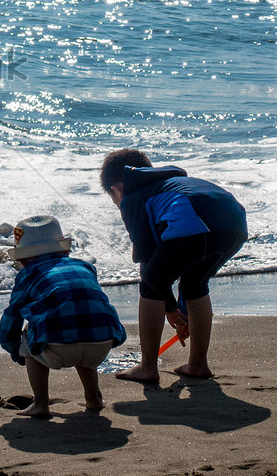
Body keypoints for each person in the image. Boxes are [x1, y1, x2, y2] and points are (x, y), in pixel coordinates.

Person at [99, 149, 247, 385]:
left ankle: (147, 367)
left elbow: (149, 265)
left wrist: (169, 309)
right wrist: (179, 310)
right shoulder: (170, 183)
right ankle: (198, 364)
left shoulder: (134, 197)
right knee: (194, 283)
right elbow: (170, 263)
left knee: (149, 285)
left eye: (114, 199)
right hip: (234, 224)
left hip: (195, 223)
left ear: (116, 189)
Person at [0, 215, 127, 418]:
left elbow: (11, 318)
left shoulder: (27, 275)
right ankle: (94, 398)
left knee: (29, 332)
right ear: (65, 248)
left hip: (59, 348)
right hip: (103, 343)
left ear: (22, 258)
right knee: (81, 320)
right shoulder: (85, 267)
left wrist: (15, 350)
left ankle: (40, 404)